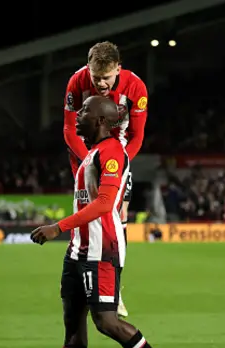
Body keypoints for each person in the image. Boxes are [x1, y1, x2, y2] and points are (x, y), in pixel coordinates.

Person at [26, 96, 185, 348]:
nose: (79, 115)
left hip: (102, 250)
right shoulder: (93, 154)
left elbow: (103, 204)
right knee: (73, 322)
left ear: (100, 120)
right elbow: (70, 134)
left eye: (85, 111)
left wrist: (58, 227)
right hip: (78, 250)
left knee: (107, 322)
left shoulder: (112, 152)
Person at [63, 41, 148, 318]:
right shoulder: (76, 82)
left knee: (116, 211)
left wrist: (119, 162)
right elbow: (69, 129)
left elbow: (137, 135)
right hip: (83, 154)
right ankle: (80, 274)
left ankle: (115, 287)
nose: (100, 84)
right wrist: (90, 160)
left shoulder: (136, 88)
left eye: (106, 78)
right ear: (88, 69)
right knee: (88, 215)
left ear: (118, 70)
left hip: (118, 153)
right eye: (95, 77)